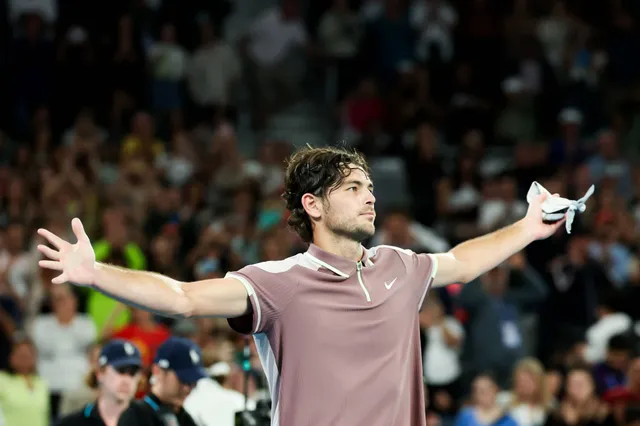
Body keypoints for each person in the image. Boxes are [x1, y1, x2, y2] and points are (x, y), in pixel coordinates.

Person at [36, 146, 566, 425]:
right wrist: (96, 274)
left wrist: (529, 226)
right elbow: (182, 297)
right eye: (353, 187)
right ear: (312, 205)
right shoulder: (278, 284)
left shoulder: (399, 267)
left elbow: (460, 261)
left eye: (371, 187)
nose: (369, 197)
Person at [116, 337, 204, 426]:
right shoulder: (136, 416)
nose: (187, 389)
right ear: (157, 371)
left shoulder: (186, 419)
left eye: (193, 382)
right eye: (183, 379)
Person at [56, 339, 143, 426]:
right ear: (100, 373)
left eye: (133, 372)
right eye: (120, 370)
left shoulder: (149, 420)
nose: (127, 380)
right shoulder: (71, 423)